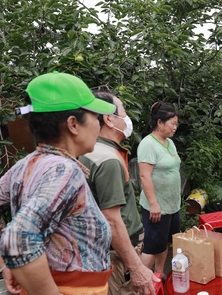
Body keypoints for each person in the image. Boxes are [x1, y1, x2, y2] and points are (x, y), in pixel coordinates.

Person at [0, 72, 116, 295]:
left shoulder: (27, 164)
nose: (99, 125)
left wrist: (8, 265)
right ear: (73, 124)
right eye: (96, 117)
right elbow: (19, 239)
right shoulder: (64, 171)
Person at [79, 91, 159, 295]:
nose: (127, 117)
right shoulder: (108, 160)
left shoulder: (89, 151)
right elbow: (112, 220)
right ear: (108, 118)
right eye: (123, 111)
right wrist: (136, 267)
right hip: (118, 253)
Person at [137, 102, 181, 277]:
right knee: (151, 246)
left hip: (171, 204)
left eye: (176, 124)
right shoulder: (148, 144)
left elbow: (173, 169)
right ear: (160, 122)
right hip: (157, 207)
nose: (175, 127)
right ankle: (140, 282)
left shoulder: (169, 142)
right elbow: (144, 176)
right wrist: (154, 204)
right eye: (173, 123)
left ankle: (158, 275)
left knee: (165, 243)